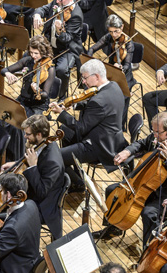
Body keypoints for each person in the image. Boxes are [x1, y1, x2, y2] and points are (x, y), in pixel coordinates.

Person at [99, 112, 167, 243]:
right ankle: (113, 228)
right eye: (153, 131)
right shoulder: (158, 137)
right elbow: (142, 143)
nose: (154, 135)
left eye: (158, 132)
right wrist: (127, 151)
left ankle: (147, 249)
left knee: (148, 213)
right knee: (112, 190)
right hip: (146, 185)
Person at [50, 59, 126, 190]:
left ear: (96, 76)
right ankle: (77, 174)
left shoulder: (99, 101)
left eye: (85, 78)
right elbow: (92, 104)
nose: (83, 82)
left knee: (55, 157)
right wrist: (73, 105)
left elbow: (81, 128)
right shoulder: (113, 86)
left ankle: (78, 183)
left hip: (99, 146)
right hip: (111, 138)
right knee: (64, 130)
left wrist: (62, 113)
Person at [1, 114, 67, 239]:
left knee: (5, 203)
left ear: (39, 135)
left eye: (28, 134)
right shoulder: (44, 144)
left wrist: (32, 167)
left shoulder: (53, 161)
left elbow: (42, 191)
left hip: (43, 205)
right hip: (33, 191)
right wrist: (16, 164)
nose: (25, 136)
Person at [32, 0, 86, 99]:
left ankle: (61, 97)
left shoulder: (76, 15)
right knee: (32, 57)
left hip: (67, 49)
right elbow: (43, 9)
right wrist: (37, 15)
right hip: (50, 45)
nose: (57, 1)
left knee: (62, 70)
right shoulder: (58, 2)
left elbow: (67, 39)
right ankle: (39, 91)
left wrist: (59, 31)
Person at [87, 14, 136, 118]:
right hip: (110, 72)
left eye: (116, 31)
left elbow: (127, 65)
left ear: (122, 27)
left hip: (125, 76)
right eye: (111, 31)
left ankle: (120, 124)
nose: (114, 35)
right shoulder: (109, 37)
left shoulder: (129, 43)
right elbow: (92, 48)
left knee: (121, 98)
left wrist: (120, 68)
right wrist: (89, 59)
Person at [0, 36, 56, 116]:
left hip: (38, 106)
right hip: (23, 100)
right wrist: (8, 73)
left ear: (43, 52)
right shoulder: (28, 60)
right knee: (5, 116)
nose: (33, 56)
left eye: (36, 53)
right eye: (31, 52)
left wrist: (38, 91)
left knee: (28, 125)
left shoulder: (50, 68)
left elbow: (45, 94)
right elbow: (3, 70)